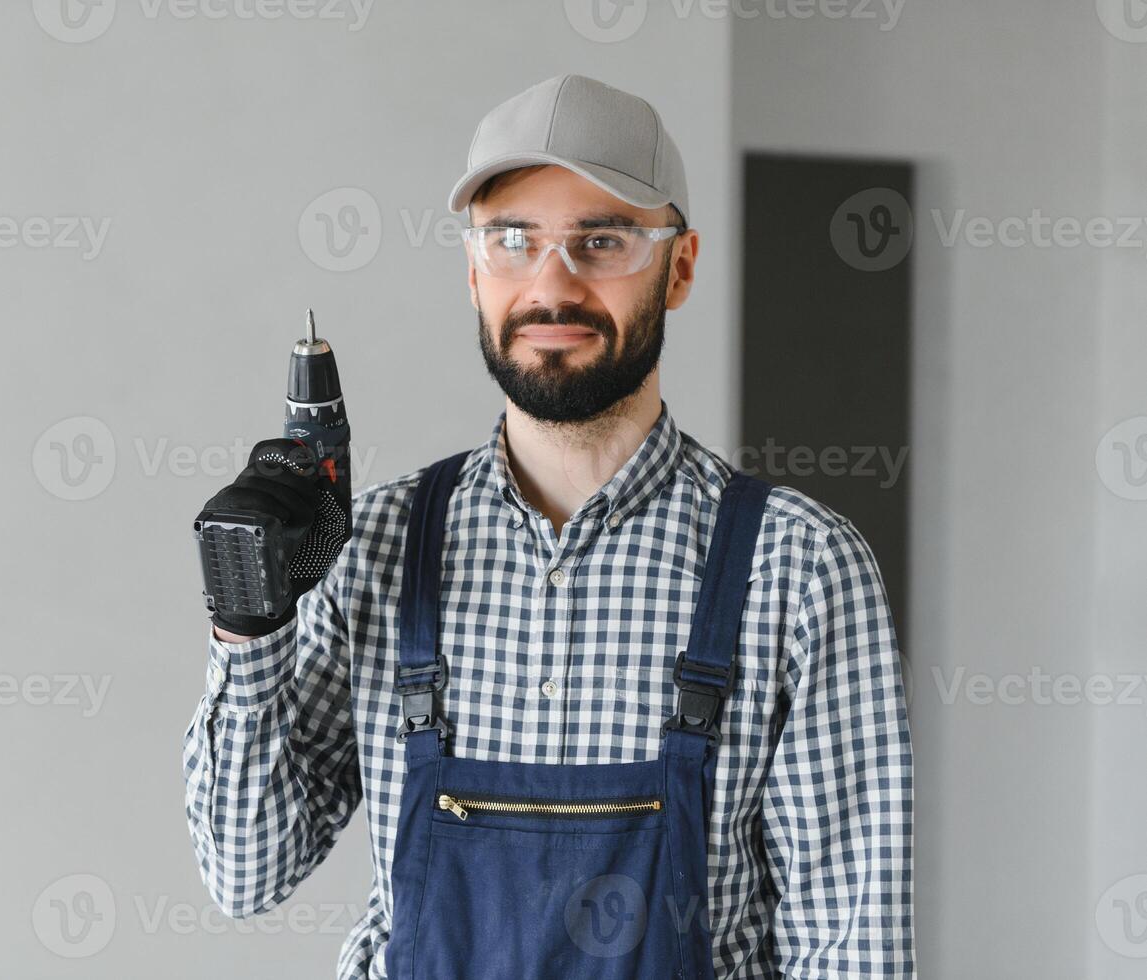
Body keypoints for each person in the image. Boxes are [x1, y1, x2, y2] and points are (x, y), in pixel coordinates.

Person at [182, 73, 914, 979]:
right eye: (512, 240)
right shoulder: (374, 546)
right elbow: (243, 872)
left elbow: (853, 950)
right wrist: (248, 626)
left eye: (600, 241)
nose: (549, 284)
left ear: (678, 267)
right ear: (472, 269)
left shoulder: (798, 568)